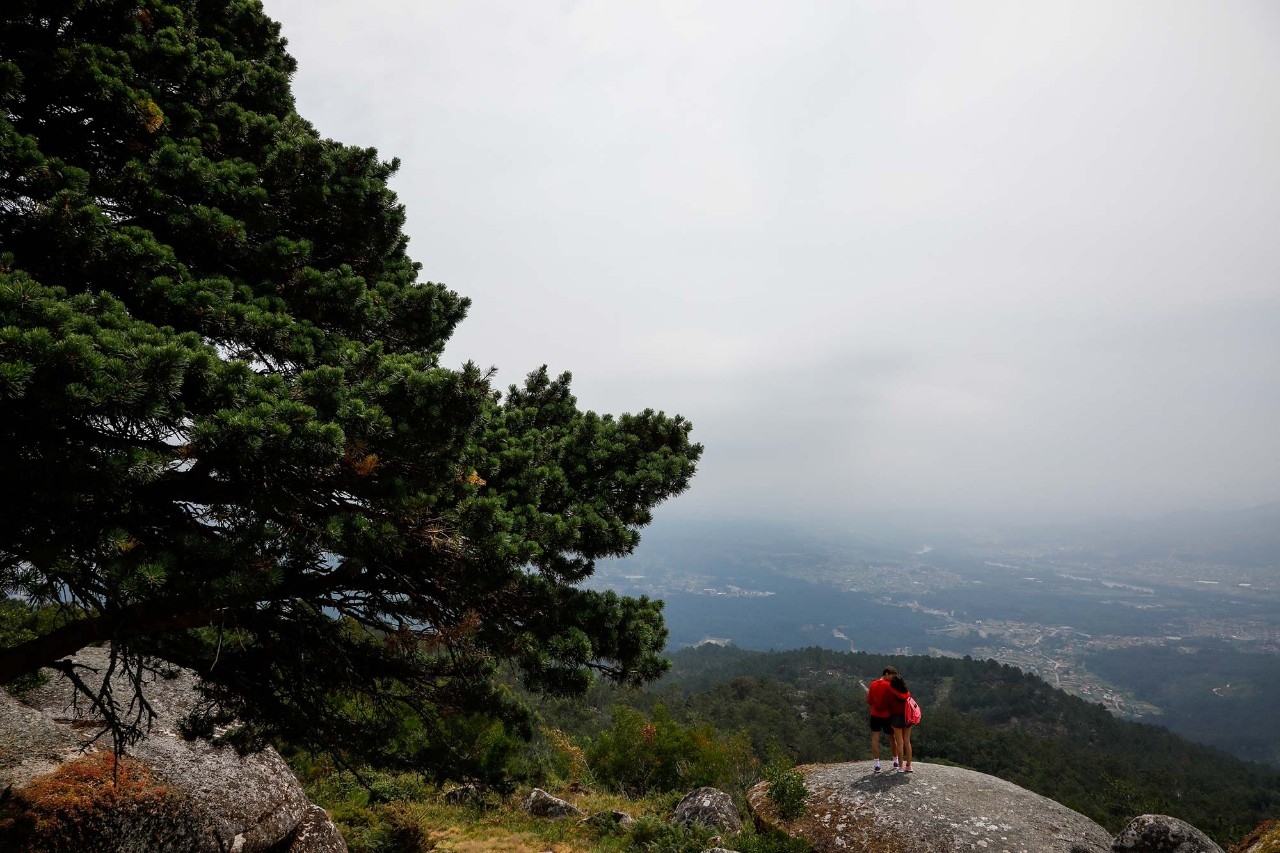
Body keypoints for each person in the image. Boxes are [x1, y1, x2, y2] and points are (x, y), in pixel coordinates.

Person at [865, 665, 899, 772]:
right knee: (892, 738)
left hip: (875, 714)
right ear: (886, 674)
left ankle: (876, 764)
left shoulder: (873, 684)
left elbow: (869, 700)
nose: (893, 679)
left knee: (875, 739)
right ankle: (895, 761)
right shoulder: (889, 686)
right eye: (892, 676)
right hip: (887, 716)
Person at [887, 673, 914, 773]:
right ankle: (909, 766)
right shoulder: (907, 693)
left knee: (899, 743)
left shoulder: (891, 693)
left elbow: (888, 706)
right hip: (907, 718)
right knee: (907, 741)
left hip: (896, 719)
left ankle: (901, 766)